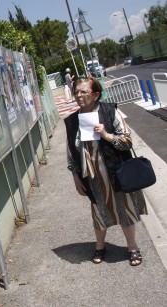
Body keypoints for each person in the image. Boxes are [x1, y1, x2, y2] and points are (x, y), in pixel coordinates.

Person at [64, 77, 147, 266]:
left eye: (83, 92)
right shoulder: (72, 121)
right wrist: (76, 177)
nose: (78, 95)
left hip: (116, 171)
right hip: (92, 177)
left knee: (125, 210)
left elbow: (127, 141)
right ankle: (100, 246)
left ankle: (133, 247)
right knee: (99, 212)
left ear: (95, 95)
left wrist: (106, 135)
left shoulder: (110, 111)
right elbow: (70, 152)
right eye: (76, 92)